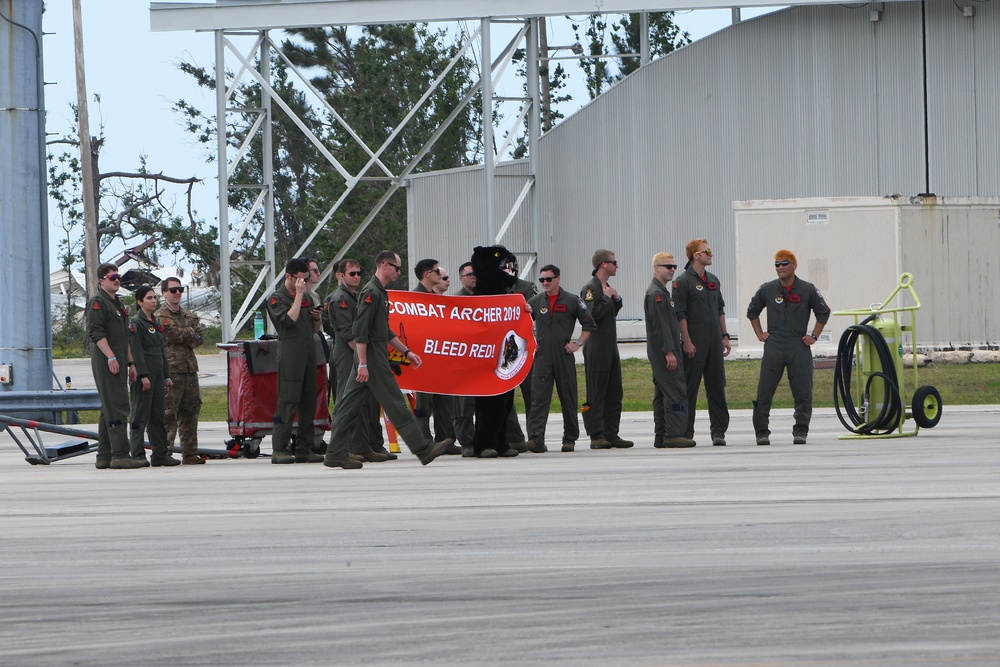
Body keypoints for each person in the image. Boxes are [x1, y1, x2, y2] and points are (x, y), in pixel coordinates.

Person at [323, 251, 453, 469]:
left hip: (371, 356)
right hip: (372, 358)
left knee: (347, 406)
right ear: (384, 265)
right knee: (394, 402)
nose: (399, 272)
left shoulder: (380, 293)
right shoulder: (371, 293)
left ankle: (335, 453)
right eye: (396, 267)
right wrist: (363, 363)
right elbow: (360, 331)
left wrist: (407, 352)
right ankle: (423, 449)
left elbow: (384, 329)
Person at [747, 249, 831, 445]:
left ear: (794, 266)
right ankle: (761, 432)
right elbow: (752, 311)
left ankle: (800, 430)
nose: (780, 268)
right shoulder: (768, 289)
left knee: (803, 390)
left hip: (798, 345)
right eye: (777, 264)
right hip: (774, 344)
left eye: (784, 263)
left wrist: (814, 336)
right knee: (764, 391)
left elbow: (823, 313)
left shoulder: (807, 289)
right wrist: (760, 334)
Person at [323, 258, 390, 462]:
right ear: (339, 275)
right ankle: (342, 449)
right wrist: (364, 358)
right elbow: (348, 333)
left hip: (357, 353)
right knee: (346, 400)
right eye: (352, 274)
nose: (357, 277)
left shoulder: (355, 296)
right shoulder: (340, 299)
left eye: (359, 273)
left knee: (363, 401)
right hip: (347, 354)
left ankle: (362, 445)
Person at [526, 264, 596, 453]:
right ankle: (535, 439)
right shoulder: (534, 301)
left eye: (549, 279)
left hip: (563, 356)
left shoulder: (572, 300)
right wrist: (531, 341)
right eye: (542, 280)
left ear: (558, 279)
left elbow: (589, 324)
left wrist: (578, 344)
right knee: (538, 400)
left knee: (568, 397)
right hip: (542, 358)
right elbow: (521, 324)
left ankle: (569, 438)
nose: (545, 283)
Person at [265, 258, 324, 464]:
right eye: (298, 279)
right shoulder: (276, 298)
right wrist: (298, 295)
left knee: (309, 402)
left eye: (304, 280)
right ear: (288, 276)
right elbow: (288, 321)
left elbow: (313, 329)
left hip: (308, 353)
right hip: (291, 354)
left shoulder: (306, 295)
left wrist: (316, 317)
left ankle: (304, 448)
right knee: (288, 401)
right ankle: (279, 447)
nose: (302, 283)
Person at [673, 239, 731, 446]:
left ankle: (719, 431)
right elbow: (680, 314)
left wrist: (725, 335)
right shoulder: (682, 282)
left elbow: (720, 308)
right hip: (695, 342)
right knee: (690, 388)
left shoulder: (713, 280)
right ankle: (686, 431)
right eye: (707, 251)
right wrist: (687, 341)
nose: (711, 254)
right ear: (696, 255)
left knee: (717, 386)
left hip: (714, 340)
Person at [86, 262, 144, 469]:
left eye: (118, 276)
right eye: (112, 277)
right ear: (102, 280)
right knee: (118, 405)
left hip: (120, 359)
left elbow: (125, 337)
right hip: (106, 360)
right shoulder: (98, 302)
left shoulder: (117, 304)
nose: (117, 280)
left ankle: (104, 456)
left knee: (108, 408)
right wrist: (111, 357)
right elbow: (96, 333)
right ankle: (120, 454)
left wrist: (131, 362)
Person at [580, 249, 633, 449]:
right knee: (597, 391)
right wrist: (604, 297)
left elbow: (611, 312)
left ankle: (611, 433)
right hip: (596, 346)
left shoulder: (606, 287)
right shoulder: (591, 289)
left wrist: (616, 299)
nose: (616, 265)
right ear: (603, 264)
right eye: (614, 262)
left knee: (614, 391)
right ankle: (596, 435)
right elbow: (590, 316)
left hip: (610, 345)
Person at [644, 253, 696, 448]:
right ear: (656, 268)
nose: (672, 269)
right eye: (667, 266)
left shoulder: (663, 292)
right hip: (664, 352)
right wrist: (669, 351)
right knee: (675, 390)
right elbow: (661, 326)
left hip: (664, 350)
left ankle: (661, 434)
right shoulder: (656, 294)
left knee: (663, 392)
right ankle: (673, 434)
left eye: (673, 266)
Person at [127, 285, 180, 466]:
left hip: (158, 375)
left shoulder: (155, 323)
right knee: (139, 415)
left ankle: (160, 454)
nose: (153, 301)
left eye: (154, 298)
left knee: (158, 416)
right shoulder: (136, 323)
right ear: (139, 301)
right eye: (149, 298)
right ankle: (137, 453)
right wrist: (143, 375)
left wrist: (166, 376)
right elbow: (136, 351)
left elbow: (161, 352)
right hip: (145, 376)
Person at [410, 258, 459, 453]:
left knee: (444, 402)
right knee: (424, 403)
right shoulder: (414, 298)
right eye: (436, 271)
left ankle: (445, 439)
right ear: (426, 274)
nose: (440, 274)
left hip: (440, 358)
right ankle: (423, 443)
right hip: (422, 359)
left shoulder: (437, 298)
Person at [156, 276, 206, 464]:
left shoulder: (189, 315)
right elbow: (171, 335)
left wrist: (188, 334)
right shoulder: (161, 315)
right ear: (164, 293)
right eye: (173, 290)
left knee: (191, 411)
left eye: (180, 289)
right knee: (169, 412)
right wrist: (189, 333)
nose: (177, 293)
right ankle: (165, 452)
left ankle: (190, 452)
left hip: (189, 369)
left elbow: (200, 338)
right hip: (171, 370)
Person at [504, 258, 538, 454]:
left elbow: (536, 313)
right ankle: (513, 437)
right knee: (505, 395)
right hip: (502, 350)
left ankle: (534, 436)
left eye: (509, 265)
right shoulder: (491, 287)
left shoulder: (526, 287)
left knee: (531, 394)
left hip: (524, 348)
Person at [452, 262, 478, 457]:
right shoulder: (455, 301)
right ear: (461, 278)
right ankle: (466, 442)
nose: (473, 277)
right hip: (463, 360)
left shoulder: (486, 297)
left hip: (484, 358)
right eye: (469, 275)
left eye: (475, 274)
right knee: (464, 404)